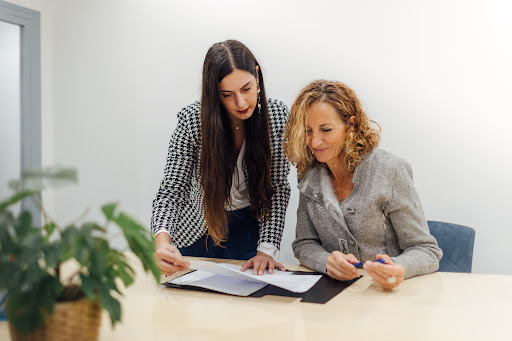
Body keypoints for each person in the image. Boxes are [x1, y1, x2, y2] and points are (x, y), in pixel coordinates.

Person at [282, 80, 442, 289]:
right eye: (307, 130)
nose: (314, 142)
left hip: (388, 295)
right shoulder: (308, 173)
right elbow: (304, 243)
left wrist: (399, 267)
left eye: (326, 129)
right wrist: (326, 262)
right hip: (336, 297)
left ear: (351, 124)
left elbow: (426, 250)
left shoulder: (391, 170)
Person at [151, 40, 290, 276]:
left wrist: (266, 250)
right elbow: (172, 190)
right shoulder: (192, 121)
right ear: (214, 93)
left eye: (246, 88)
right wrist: (162, 242)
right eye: (227, 95)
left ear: (257, 76)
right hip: (197, 229)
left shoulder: (276, 115)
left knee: (242, 303)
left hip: (247, 227)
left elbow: (276, 188)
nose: (241, 103)